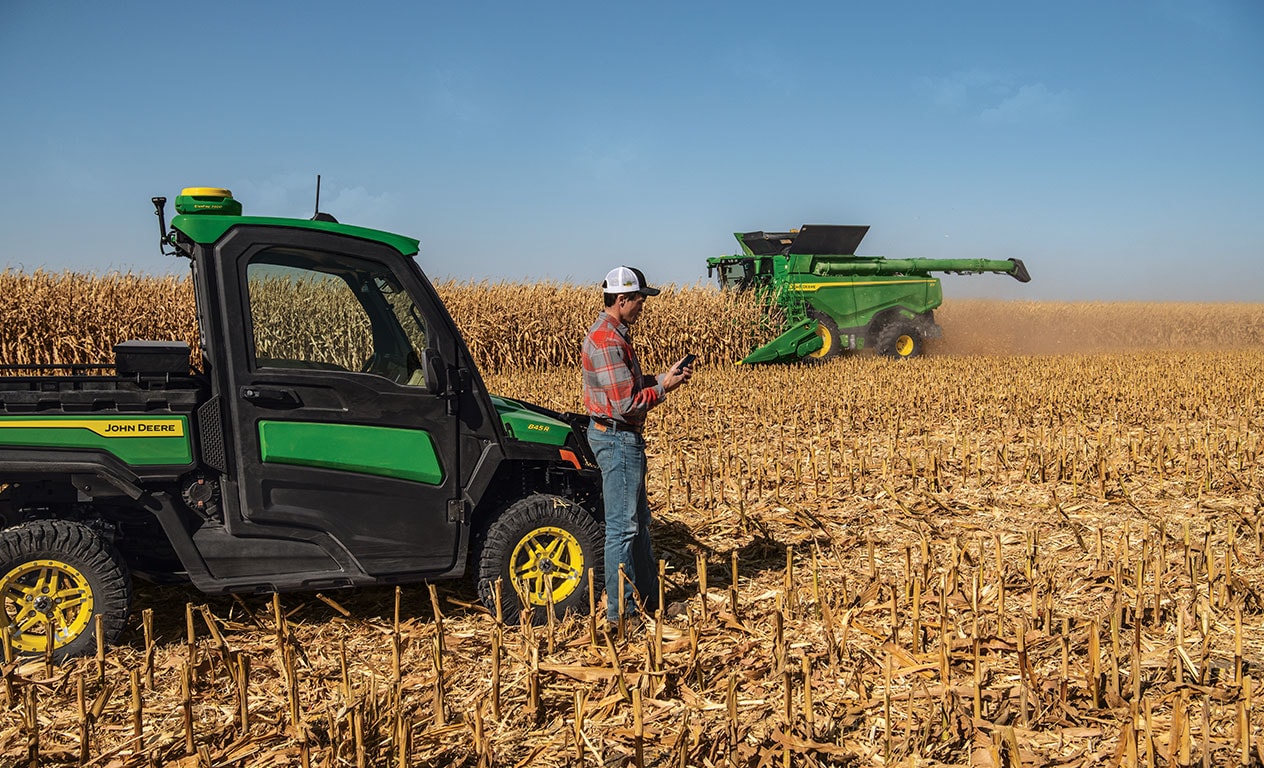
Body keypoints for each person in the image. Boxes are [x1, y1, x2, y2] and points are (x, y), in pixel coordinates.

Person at [582, 266, 693, 628]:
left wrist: (664, 376)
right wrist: (666, 389)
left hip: (617, 436)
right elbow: (625, 404)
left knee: (639, 523)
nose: (643, 304)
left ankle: (650, 601)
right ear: (621, 299)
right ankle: (621, 615)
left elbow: (627, 385)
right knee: (622, 529)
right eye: (639, 298)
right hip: (617, 438)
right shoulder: (609, 341)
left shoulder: (611, 334)